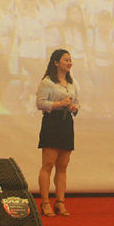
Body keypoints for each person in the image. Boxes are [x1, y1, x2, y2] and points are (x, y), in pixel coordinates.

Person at [36, 49, 80, 217]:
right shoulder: (47, 82)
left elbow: (77, 102)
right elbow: (40, 104)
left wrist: (74, 107)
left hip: (66, 123)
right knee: (48, 165)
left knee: (63, 166)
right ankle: (45, 202)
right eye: (66, 60)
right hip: (52, 122)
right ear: (56, 63)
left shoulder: (71, 83)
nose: (70, 63)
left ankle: (60, 202)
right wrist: (59, 103)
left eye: (70, 60)